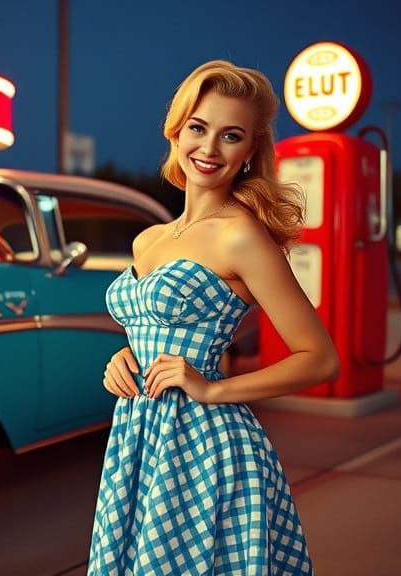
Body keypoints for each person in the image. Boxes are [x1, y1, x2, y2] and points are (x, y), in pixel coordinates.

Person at [87, 60, 339, 575]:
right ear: (176, 131)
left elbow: (320, 359)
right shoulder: (149, 239)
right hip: (136, 436)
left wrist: (211, 388)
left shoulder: (240, 236)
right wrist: (127, 356)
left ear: (249, 151)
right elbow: (151, 328)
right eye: (198, 129)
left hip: (204, 449)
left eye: (231, 136)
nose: (209, 149)